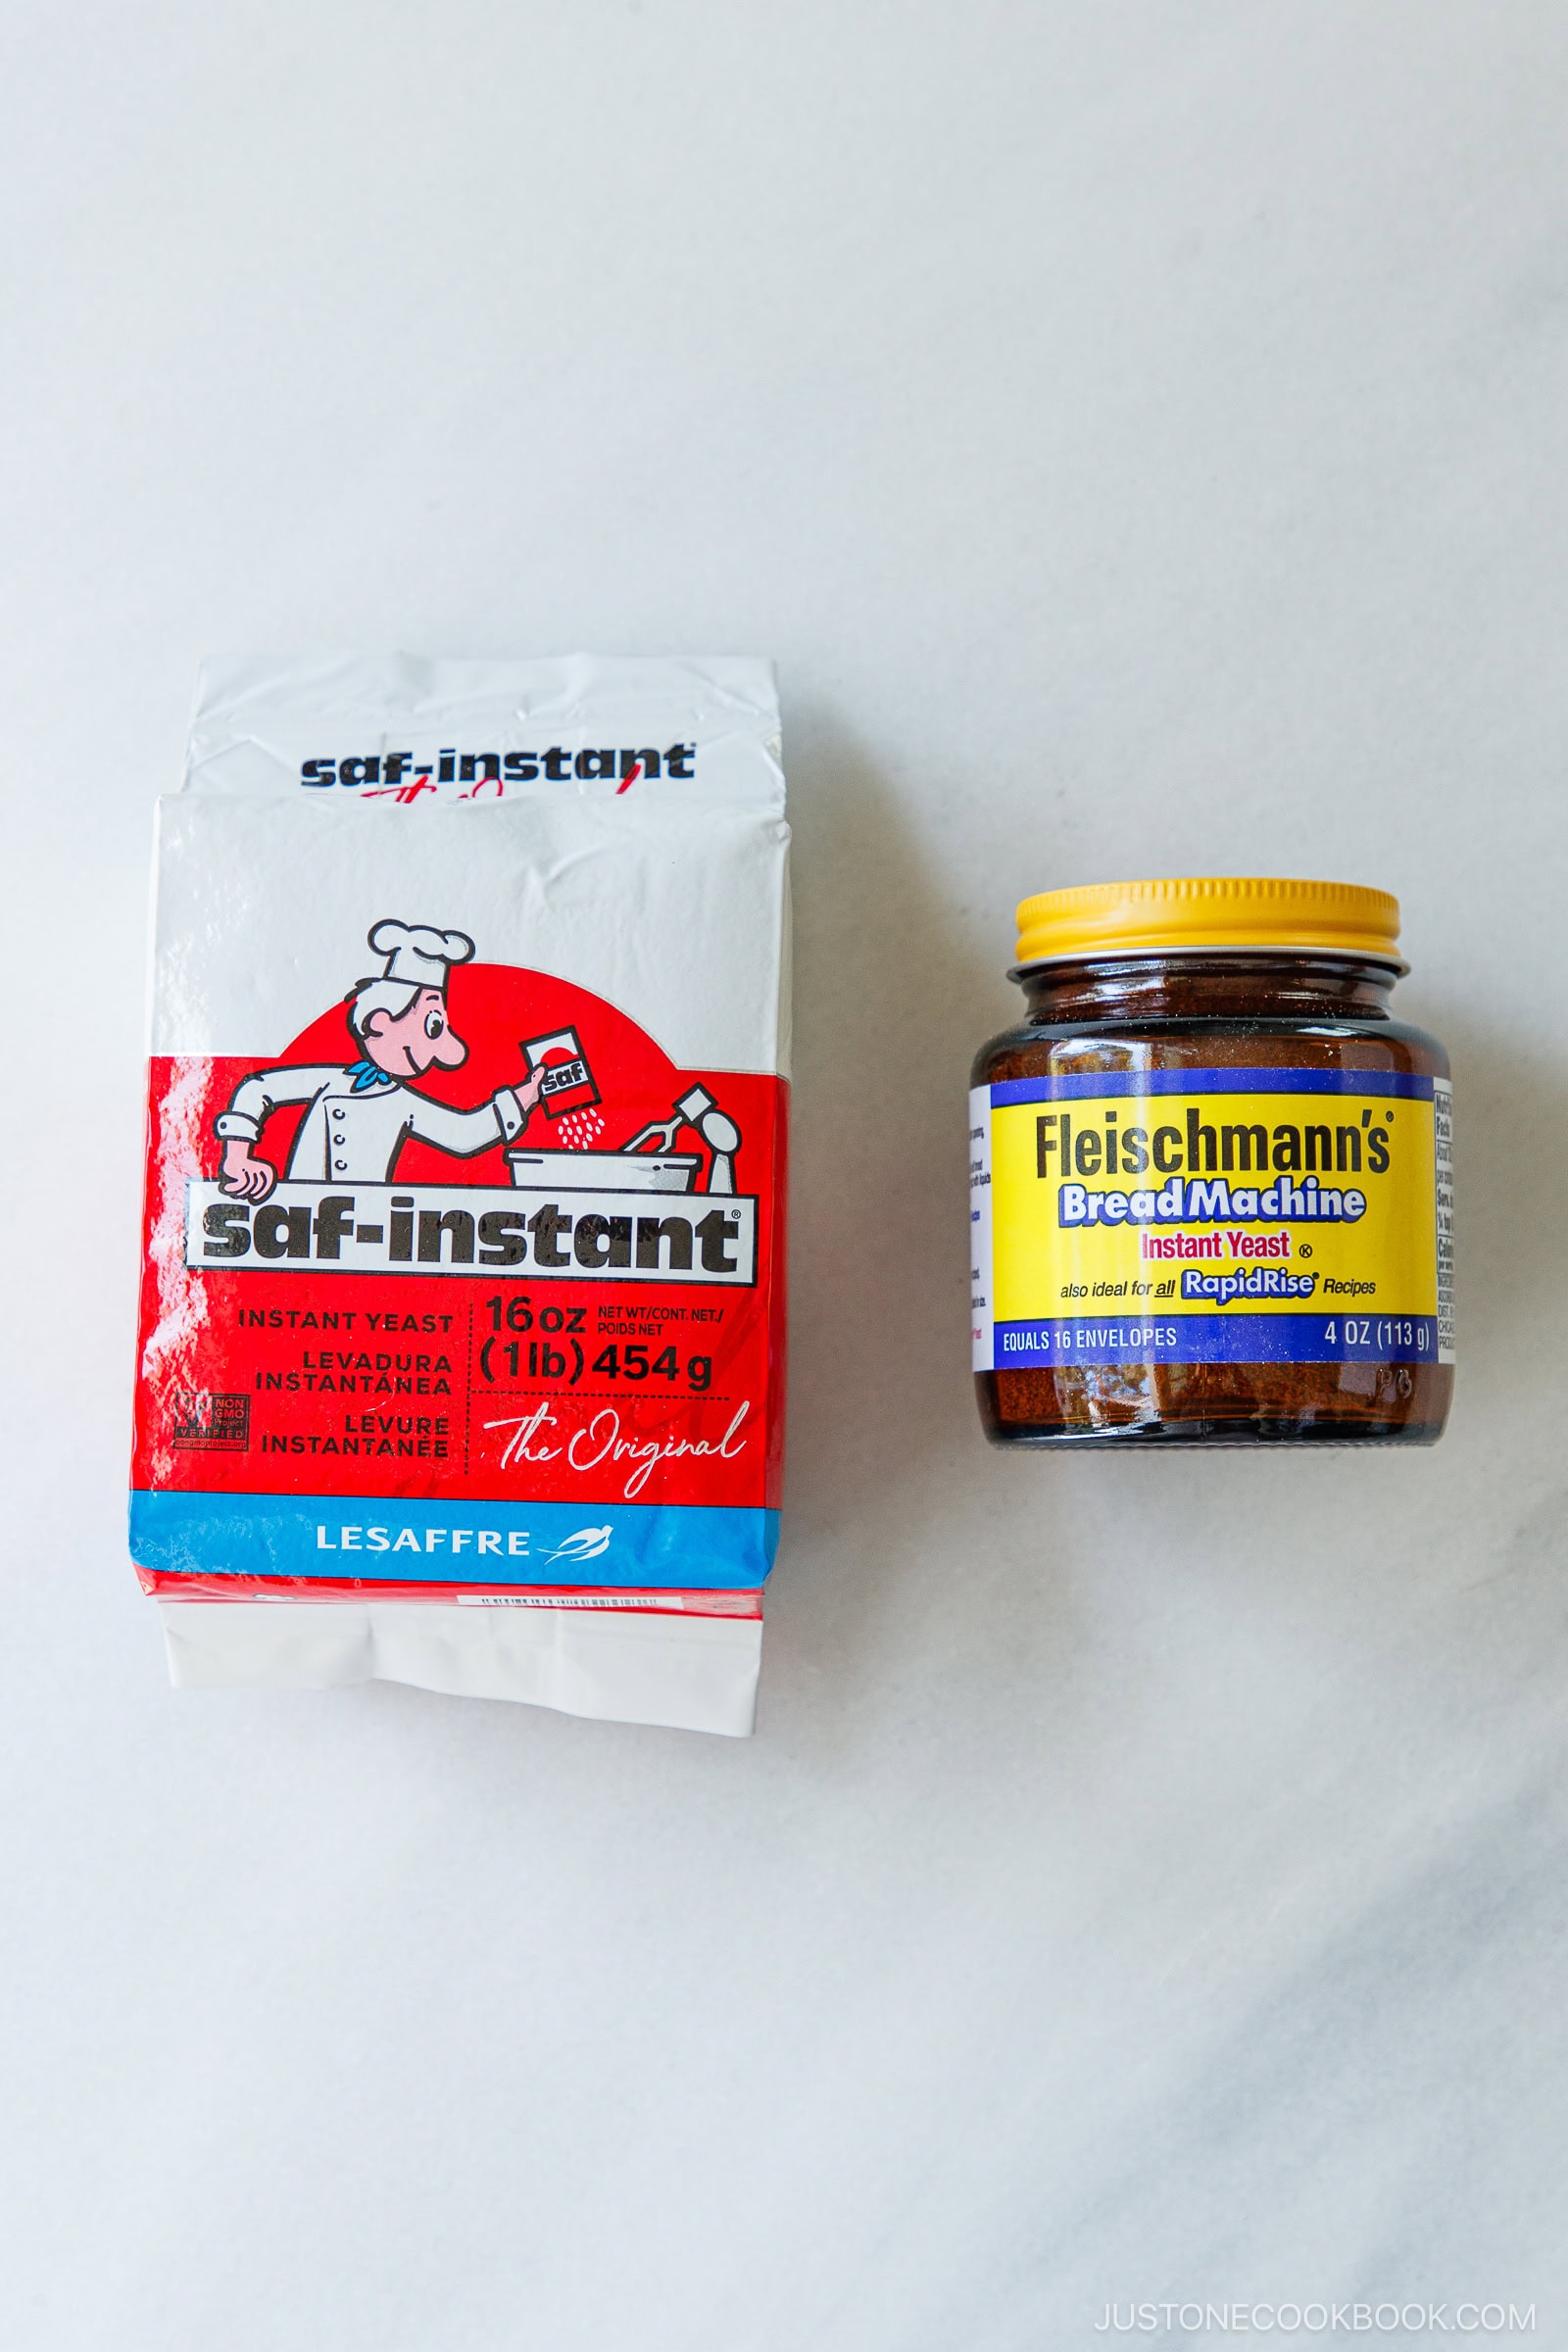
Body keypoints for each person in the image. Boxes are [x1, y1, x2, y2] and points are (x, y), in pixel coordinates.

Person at [215, 920, 543, 1202]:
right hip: (297, 1228)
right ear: (381, 1020)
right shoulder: (330, 1081)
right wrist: (237, 1157)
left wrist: (521, 1099)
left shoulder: (402, 1102)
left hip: (366, 1231)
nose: (448, 1052)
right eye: (433, 1025)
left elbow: (461, 1134)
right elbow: (256, 1090)